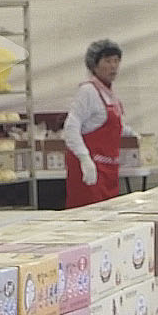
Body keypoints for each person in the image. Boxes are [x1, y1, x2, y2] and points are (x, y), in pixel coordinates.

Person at [62, 39, 126, 208]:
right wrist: (84, 158)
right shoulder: (88, 91)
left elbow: (110, 125)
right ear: (94, 65)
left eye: (116, 61)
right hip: (90, 170)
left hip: (109, 170)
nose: (113, 66)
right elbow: (71, 128)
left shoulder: (110, 93)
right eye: (108, 61)